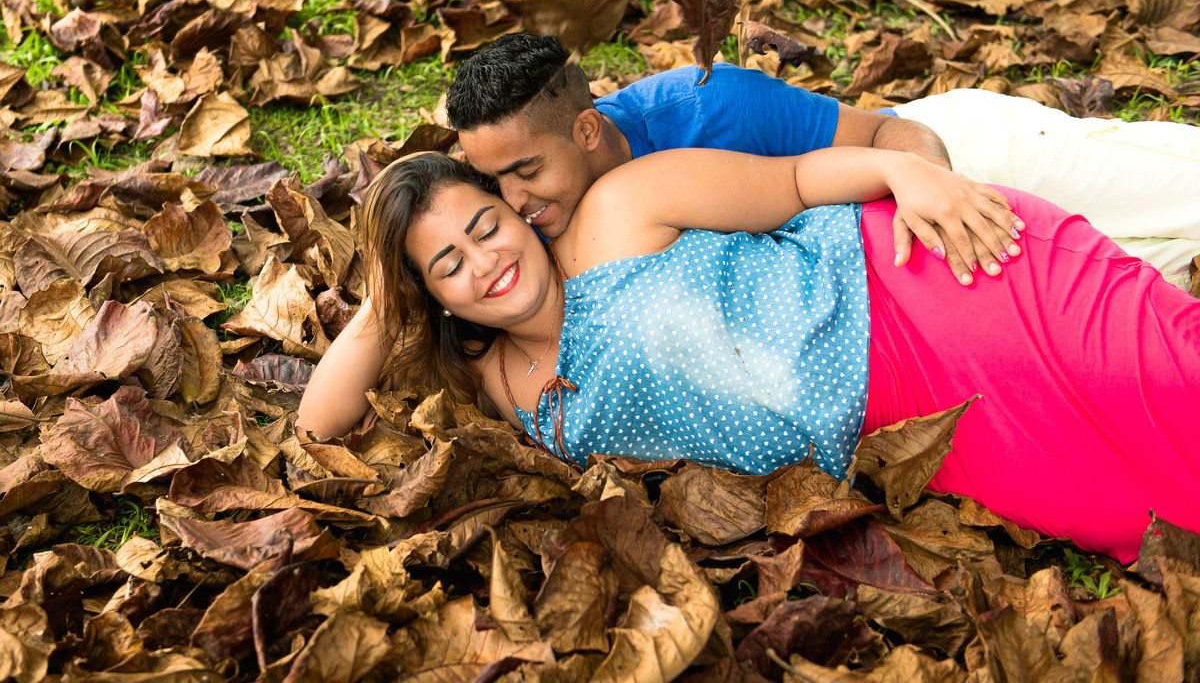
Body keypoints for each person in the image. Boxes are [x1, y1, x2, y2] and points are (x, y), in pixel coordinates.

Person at [299, 149, 1200, 563]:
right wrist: (392, 288)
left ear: (514, 212)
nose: (486, 262)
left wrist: (905, 174)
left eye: (484, 226)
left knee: (1176, 376)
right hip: (914, 436)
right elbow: (318, 424)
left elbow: (798, 181)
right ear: (433, 297)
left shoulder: (619, 212)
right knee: (1154, 515)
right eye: (448, 263)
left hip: (918, 290)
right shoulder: (502, 392)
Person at [446, 32, 1200, 289]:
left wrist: (933, 188)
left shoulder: (704, 106)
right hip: (905, 261)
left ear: (584, 132)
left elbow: (883, 134)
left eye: (525, 172)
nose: (511, 202)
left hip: (960, 158)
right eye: (494, 181)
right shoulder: (528, 231)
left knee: (1181, 191)